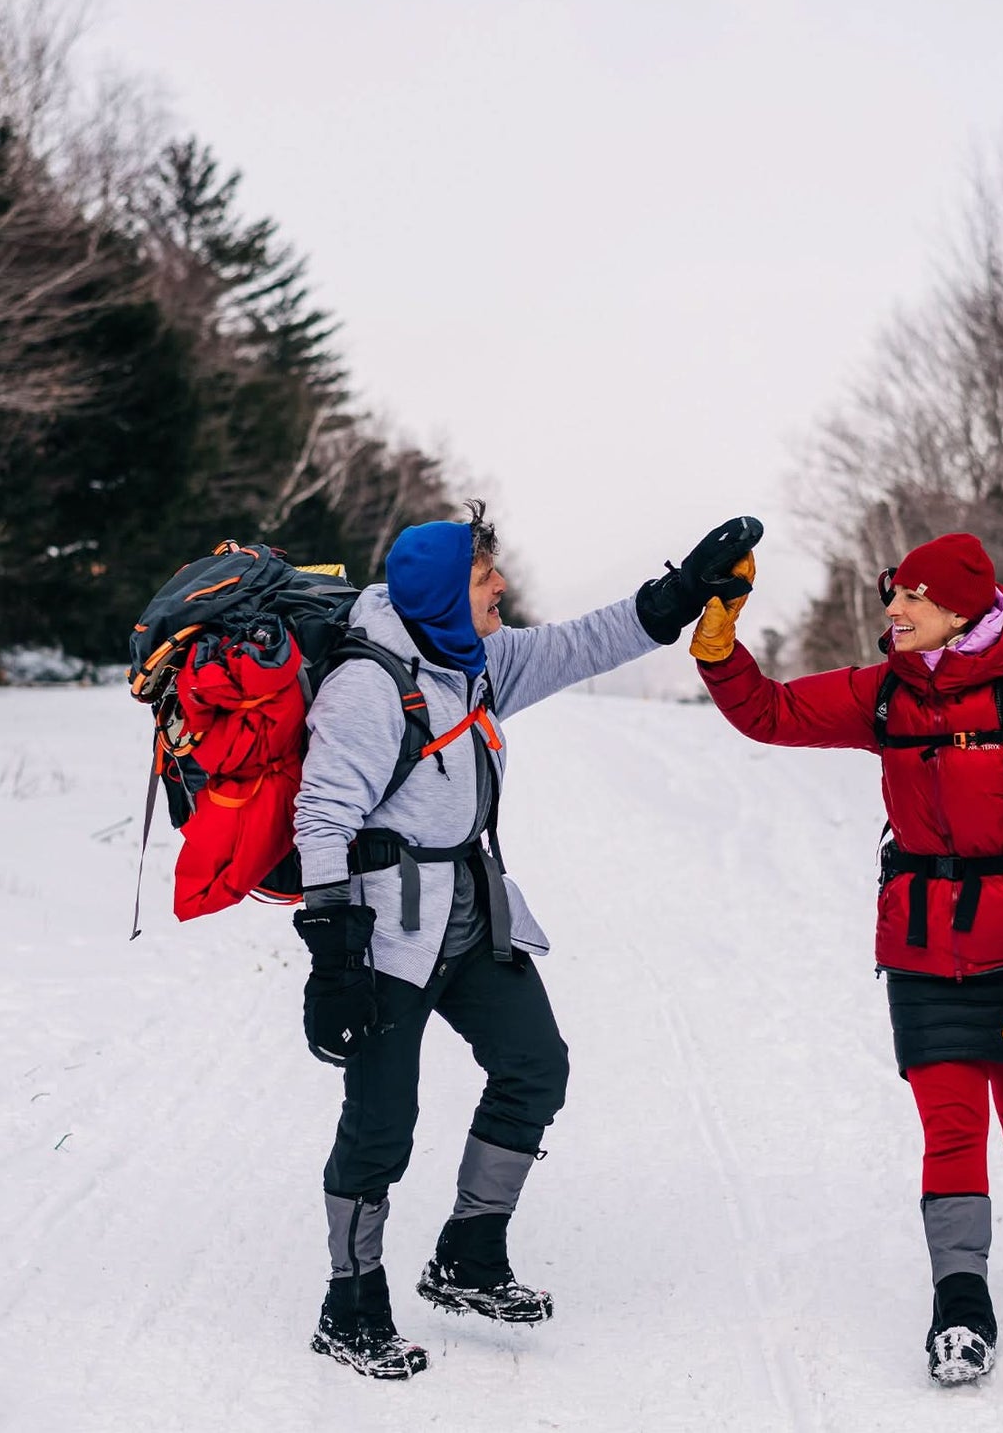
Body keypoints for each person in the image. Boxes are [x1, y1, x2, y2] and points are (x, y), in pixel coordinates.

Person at [291, 500, 762, 1379]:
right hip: (386, 931)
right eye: (483, 577)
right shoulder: (366, 686)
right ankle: (348, 1303)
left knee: (534, 1064)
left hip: (469, 909)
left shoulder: (471, 659)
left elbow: (584, 642)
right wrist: (332, 957)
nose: (500, 586)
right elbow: (321, 815)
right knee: (381, 1123)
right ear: (441, 590)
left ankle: (468, 1254)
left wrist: (683, 590)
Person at [688, 532, 1003, 1386]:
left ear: (959, 612)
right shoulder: (886, 693)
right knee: (950, 1124)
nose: (893, 610)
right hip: (919, 945)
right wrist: (720, 642)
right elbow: (768, 712)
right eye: (895, 593)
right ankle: (960, 1303)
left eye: (912, 597)